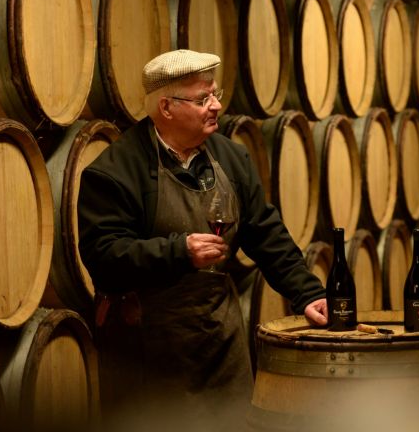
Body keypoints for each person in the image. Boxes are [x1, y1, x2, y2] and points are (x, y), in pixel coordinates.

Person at [77, 49, 328, 428]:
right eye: (202, 99)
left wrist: (307, 293)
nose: (216, 106)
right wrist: (178, 252)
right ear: (166, 107)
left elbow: (265, 232)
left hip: (219, 340)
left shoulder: (230, 158)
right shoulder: (114, 172)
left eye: (216, 94)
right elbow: (103, 257)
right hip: (148, 351)